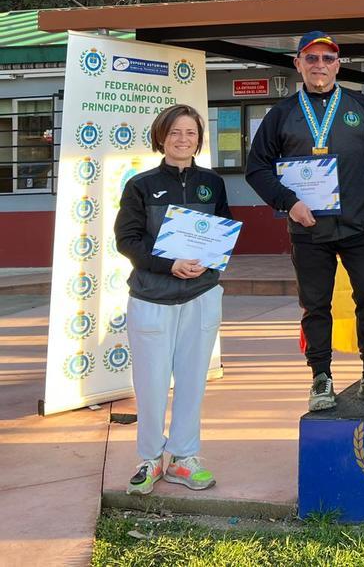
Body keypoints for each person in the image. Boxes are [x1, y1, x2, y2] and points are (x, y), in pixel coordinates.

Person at [246, 31, 364, 412]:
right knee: (315, 305)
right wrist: (288, 201)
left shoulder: (360, 106)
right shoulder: (281, 113)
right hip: (309, 229)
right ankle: (321, 376)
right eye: (311, 59)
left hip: (361, 225)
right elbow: (257, 168)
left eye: (328, 59)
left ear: (338, 64)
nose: (320, 66)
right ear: (297, 63)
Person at [114, 105, 230, 495]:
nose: (183, 139)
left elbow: (223, 232)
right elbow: (127, 240)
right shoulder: (141, 186)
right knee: (151, 383)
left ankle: (184, 458)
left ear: (199, 138)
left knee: (193, 381)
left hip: (201, 295)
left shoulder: (212, 184)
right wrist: (170, 265)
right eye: (175, 132)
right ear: (161, 137)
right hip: (152, 298)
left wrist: (208, 263)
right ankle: (149, 459)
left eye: (191, 133)